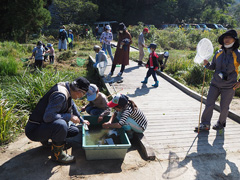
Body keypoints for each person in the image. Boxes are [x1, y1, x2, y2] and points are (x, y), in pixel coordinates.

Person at [25, 77, 91, 164]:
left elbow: (72, 106)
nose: (83, 97)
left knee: (74, 131)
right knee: (61, 125)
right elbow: (48, 117)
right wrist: (69, 116)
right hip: (34, 131)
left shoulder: (68, 88)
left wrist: (82, 120)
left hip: (42, 125)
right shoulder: (61, 95)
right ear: (79, 92)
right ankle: (58, 155)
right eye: (84, 94)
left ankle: (49, 142)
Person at [196, 29, 240, 131]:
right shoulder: (218, 53)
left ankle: (221, 123)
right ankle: (205, 124)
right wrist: (207, 65)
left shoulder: (238, 54)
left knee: (224, 107)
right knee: (209, 104)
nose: (226, 40)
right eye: (225, 38)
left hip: (229, 86)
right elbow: (213, 67)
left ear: (234, 40)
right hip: (215, 84)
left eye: (229, 38)